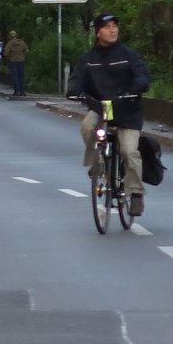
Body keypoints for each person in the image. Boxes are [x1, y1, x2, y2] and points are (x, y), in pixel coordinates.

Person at [66, 13, 150, 217]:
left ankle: (136, 193)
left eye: (115, 26)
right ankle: (99, 165)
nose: (113, 30)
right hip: (101, 108)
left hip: (127, 109)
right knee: (87, 127)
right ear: (98, 33)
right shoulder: (88, 59)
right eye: (107, 27)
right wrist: (75, 91)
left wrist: (137, 87)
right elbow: (76, 79)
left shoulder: (128, 54)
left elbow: (142, 75)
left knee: (129, 151)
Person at [3, 30, 29, 96]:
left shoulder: (9, 44)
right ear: (16, 35)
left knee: (15, 76)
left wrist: (10, 57)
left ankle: (16, 91)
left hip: (13, 62)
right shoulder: (22, 43)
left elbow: (6, 54)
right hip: (21, 61)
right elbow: (27, 51)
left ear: (10, 36)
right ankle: (22, 91)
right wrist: (23, 56)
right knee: (21, 76)